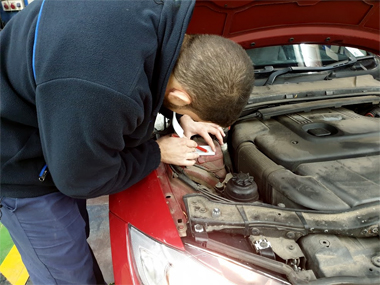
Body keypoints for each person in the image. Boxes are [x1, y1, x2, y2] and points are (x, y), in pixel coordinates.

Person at [0, 0, 254, 284]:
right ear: (182, 96)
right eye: (186, 110)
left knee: (76, 233)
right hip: (19, 155)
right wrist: (156, 152)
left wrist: (182, 116)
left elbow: (158, 72)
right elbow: (80, 179)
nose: (184, 115)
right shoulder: (103, 92)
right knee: (66, 274)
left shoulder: (158, 15)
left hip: (57, 110)